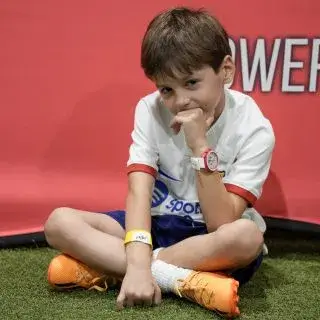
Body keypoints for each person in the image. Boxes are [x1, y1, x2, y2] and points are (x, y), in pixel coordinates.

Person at [44, 6, 275, 318]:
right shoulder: (149, 110)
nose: (180, 101)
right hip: (155, 225)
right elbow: (139, 192)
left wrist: (198, 144)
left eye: (192, 82)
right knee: (59, 223)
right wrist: (138, 261)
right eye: (167, 89)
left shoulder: (255, 128)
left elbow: (220, 224)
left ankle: (113, 271)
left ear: (227, 70)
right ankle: (183, 281)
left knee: (247, 238)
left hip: (210, 241)